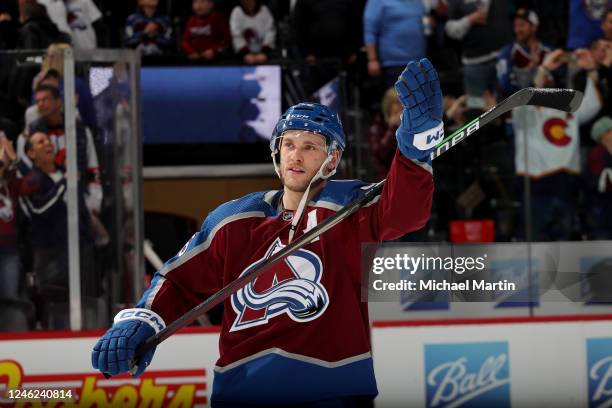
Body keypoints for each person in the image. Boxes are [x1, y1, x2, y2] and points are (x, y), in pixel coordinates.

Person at [92, 58, 441, 406]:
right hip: (245, 394)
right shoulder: (236, 219)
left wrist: (414, 150)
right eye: (288, 144)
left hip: (333, 392)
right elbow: (179, 280)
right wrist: (142, 320)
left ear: (332, 160)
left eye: (310, 146)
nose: (296, 155)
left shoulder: (350, 206)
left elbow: (405, 212)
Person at [19, 131, 94, 329]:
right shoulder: (31, 180)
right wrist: (65, 183)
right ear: (31, 153)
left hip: (79, 247)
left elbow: (81, 208)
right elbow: (39, 210)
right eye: (40, 142)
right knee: (52, 301)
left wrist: (89, 235)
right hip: (50, 252)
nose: (47, 144)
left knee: (84, 297)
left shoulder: (66, 171)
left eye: (48, 140)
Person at [363, 0, 427, 87]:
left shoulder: (417, 2)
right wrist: (372, 59)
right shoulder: (377, 1)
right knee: (396, 99)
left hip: (418, 63)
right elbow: (370, 31)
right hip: (392, 64)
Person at [229, 0, 276, 64]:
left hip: (264, 54)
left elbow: (270, 32)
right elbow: (236, 35)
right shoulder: (236, 12)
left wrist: (264, 52)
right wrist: (245, 54)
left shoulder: (264, 11)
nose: (247, 1)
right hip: (242, 55)